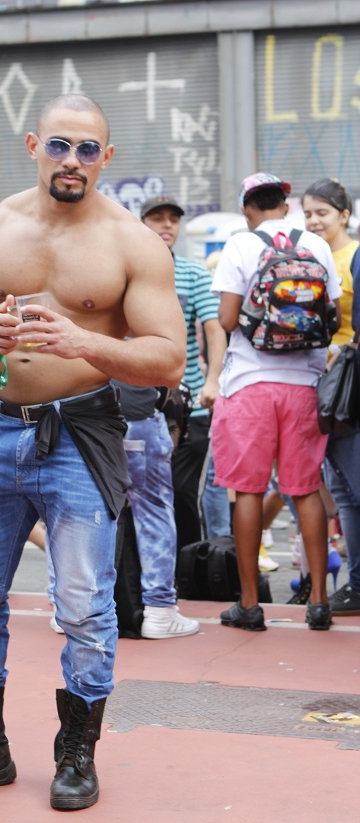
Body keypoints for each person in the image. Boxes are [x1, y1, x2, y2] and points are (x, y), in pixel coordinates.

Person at [0, 94, 186, 811]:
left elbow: (169, 360)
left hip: (81, 434)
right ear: (34, 145)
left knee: (86, 605)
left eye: (88, 150)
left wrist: (84, 341)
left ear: (107, 159)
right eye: (60, 146)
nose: (72, 161)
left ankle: (77, 751)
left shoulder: (133, 245)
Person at [211, 172, 341, 631]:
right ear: (284, 206)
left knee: (247, 489)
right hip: (305, 385)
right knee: (304, 489)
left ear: (248, 209)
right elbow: (333, 314)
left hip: (249, 385)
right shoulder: (318, 247)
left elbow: (226, 319)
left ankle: (249, 605)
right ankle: (319, 602)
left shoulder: (240, 246)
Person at [140, 193, 228, 553]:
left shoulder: (192, 272)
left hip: (189, 404)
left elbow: (214, 328)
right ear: (142, 223)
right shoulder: (128, 269)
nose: (166, 225)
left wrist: (212, 381)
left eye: (173, 219)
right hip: (135, 403)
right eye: (157, 218)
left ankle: (188, 571)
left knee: (183, 495)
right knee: (137, 496)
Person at [303, 177, 360, 615]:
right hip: (323, 387)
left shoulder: (352, 256)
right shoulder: (306, 255)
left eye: (322, 212)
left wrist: (341, 350)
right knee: (342, 492)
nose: (313, 221)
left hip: (347, 383)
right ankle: (356, 583)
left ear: (344, 215)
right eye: (307, 213)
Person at [115, 380, 199, 638]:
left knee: (77, 513)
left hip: (85, 417)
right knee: (153, 512)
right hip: (136, 415)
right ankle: (159, 609)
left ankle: (70, 608)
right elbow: (171, 369)